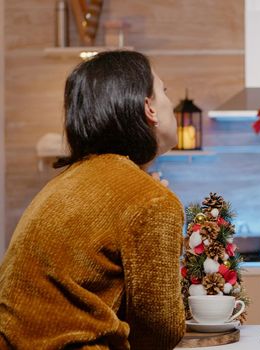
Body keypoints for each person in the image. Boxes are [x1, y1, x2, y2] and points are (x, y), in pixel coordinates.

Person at [0, 51, 186, 349]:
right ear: (148, 107)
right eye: (164, 91)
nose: (170, 103)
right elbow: (160, 333)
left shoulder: (65, 183)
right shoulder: (150, 200)